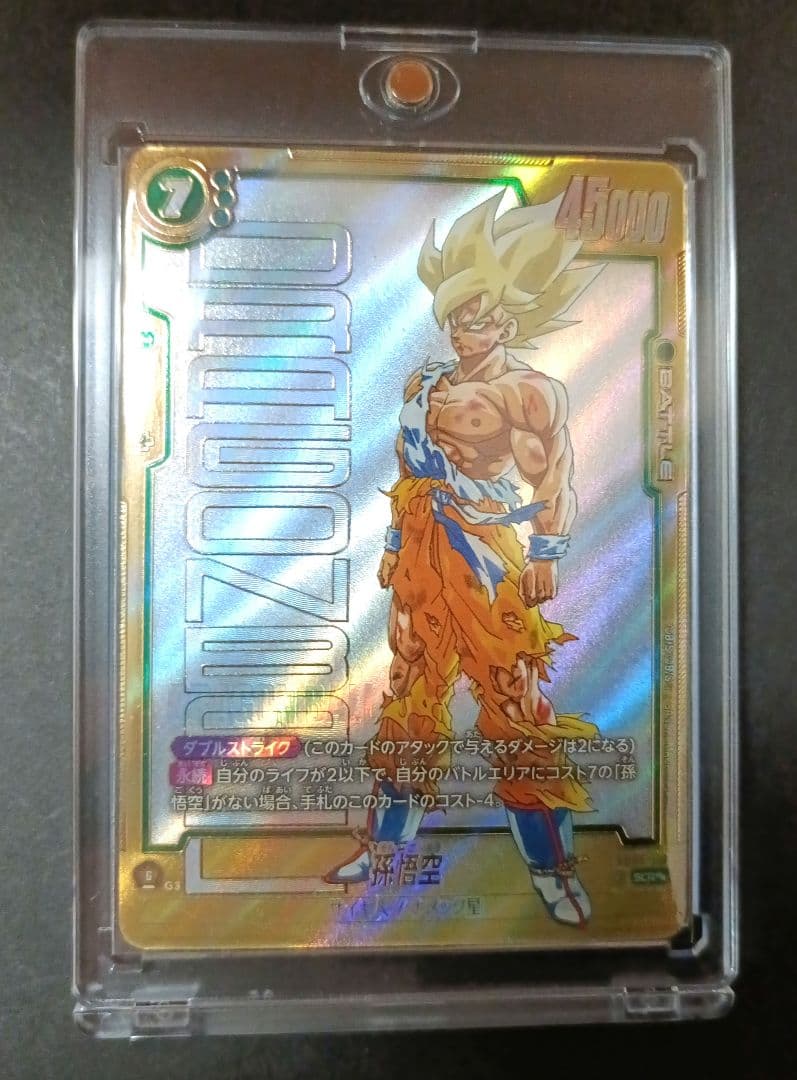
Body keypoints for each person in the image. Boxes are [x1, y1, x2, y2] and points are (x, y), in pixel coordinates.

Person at [326, 190, 604, 926]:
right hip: (422, 551)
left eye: (475, 316)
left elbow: (553, 477)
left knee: (514, 702)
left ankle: (552, 869)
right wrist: (394, 548)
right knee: (411, 695)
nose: (460, 329)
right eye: (453, 316)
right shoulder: (423, 384)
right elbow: (407, 471)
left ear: (505, 322)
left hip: (486, 552)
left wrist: (546, 552)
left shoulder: (528, 392)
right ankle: (383, 850)